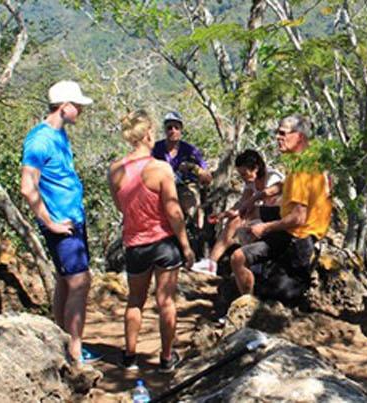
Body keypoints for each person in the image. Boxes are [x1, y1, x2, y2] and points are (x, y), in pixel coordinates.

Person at [108, 110, 195, 373]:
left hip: (135, 243)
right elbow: (173, 211)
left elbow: (121, 207)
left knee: (135, 301)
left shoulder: (115, 171)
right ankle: (166, 358)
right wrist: (186, 246)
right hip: (164, 243)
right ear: (147, 134)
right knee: (166, 302)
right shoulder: (159, 169)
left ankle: (129, 356)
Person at [19, 80, 96, 365]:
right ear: (64, 107)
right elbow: (28, 186)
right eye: (77, 106)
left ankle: (62, 344)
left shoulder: (59, 134)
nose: (80, 111)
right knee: (79, 282)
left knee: (67, 282)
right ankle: (74, 351)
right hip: (61, 223)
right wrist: (50, 223)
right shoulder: (39, 140)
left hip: (72, 219)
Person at [228, 115, 331, 297]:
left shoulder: (305, 168)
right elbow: (284, 185)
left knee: (244, 264)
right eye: (277, 132)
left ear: (299, 136)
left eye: (283, 133)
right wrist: (256, 198)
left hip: (299, 236)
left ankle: (249, 299)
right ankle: (256, 265)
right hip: (290, 220)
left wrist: (265, 228)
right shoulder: (303, 159)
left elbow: (298, 218)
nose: (277, 137)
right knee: (252, 213)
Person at [192, 150, 284, 275]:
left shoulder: (273, 177)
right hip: (261, 217)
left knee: (245, 222)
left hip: (278, 220)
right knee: (235, 220)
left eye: (244, 174)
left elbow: (269, 193)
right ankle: (211, 262)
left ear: (255, 168)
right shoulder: (250, 182)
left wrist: (252, 201)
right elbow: (242, 203)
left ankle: (250, 265)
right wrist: (223, 215)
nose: (243, 178)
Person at [152, 111, 213, 231]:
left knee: (193, 208)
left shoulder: (190, 150)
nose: (173, 130)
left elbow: (206, 176)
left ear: (181, 130)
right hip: (160, 188)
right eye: (169, 127)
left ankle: (199, 233)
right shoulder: (156, 148)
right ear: (165, 130)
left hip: (185, 186)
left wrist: (192, 167)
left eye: (176, 127)